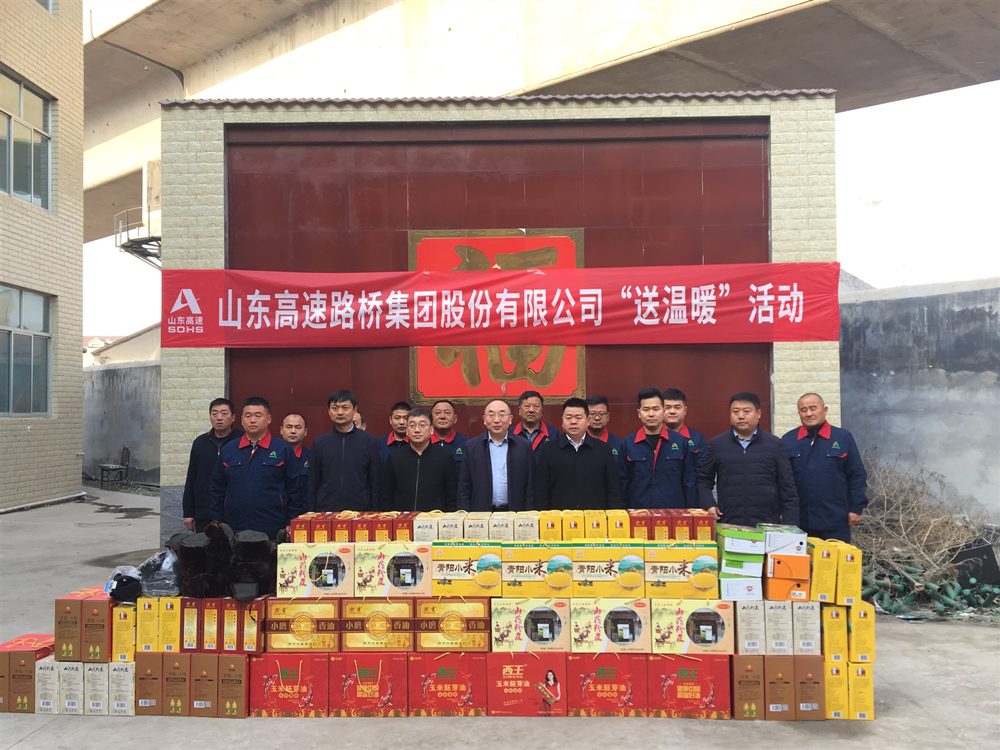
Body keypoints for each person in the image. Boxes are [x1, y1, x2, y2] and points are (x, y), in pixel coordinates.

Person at [695, 392, 799, 527]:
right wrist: (709, 504)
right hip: (729, 522)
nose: (740, 416)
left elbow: (787, 487)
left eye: (746, 411)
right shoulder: (717, 444)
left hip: (766, 523)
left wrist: (790, 525)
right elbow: (703, 480)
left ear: (759, 413)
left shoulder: (774, 444)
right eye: (735, 412)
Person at [209, 397, 304, 539]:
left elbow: (295, 489)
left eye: (258, 415)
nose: (252, 420)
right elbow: (217, 488)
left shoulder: (282, 449)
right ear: (241, 420)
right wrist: (219, 522)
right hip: (235, 525)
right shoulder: (229, 450)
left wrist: (292, 521)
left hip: (273, 526)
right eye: (248, 416)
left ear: (269, 419)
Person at [781, 393, 868, 542]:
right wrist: (781, 510)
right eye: (803, 410)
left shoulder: (842, 437)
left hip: (835, 518)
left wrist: (856, 508)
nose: (808, 413)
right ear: (799, 413)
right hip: (799, 519)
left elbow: (856, 475)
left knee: (835, 557)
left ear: (825, 410)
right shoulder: (789, 440)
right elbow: (781, 479)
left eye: (813, 408)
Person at [534, 398, 622, 510]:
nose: (573, 422)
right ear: (562, 420)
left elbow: (613, 490)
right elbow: (541, 492)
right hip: (559, 517)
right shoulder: (548, 450)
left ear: (588, 420)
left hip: (595, 517)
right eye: (568, 417)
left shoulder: (603, 450)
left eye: (578, 417)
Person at [307, 390, 383, 512]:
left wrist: (374, 511)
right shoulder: (320, 443)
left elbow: (375, 482)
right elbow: (313, 482)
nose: (340, 412)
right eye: (335, 408)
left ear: (355, 410)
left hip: (360, 511)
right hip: (327, 511)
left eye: (345, 407)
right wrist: (311, 512)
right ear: (329, 411)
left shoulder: (369, 441)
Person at [619, 388, 695, 509]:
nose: (651, 414)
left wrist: (690, 511)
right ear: (639, 413)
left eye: (656, 409)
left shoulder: (680, 442)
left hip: (673, 512)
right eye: (646, 409)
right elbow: (622, 483)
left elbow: (688, 481)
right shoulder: (628, 443)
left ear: (663, 411)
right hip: (638, 512)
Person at [457, 399, 535, 512]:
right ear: (484, 419)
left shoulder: (524, 446)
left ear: (510, 419)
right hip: (481, 514)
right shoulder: (472, 447)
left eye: (502, 415)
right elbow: (464, 486)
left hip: (515, 513)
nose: (496, 420)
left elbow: (531, 485)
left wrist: (529, 513)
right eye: (491, 415)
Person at [182, 398, 244, 532]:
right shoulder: (200, 443)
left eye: (224, 413)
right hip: (204, 510)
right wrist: (188, 512)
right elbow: (191, 478)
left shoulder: (242, 441)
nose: (219, 418)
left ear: (233, 417)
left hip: (235, 510)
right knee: (204, 544)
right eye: (214, 414)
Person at [379, 408, 457, 512]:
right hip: (402, 518)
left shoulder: (444, 457)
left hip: (434, 518)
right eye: (412, 426)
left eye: (422, 425)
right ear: (407, 430)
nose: (417, 430)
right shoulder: (395, 457)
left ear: (431, 429)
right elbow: (386, 495)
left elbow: (451, 495)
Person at [661, 388, 709, 473]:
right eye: (667, 407)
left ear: (685, 410)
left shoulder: (698, 439)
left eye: (677, 407)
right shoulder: (654, 437)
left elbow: (702, 470)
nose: (672, 411)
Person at [511, 390, 559, 459]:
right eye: (527, 406)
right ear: (520, 410)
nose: (531, 410)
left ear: (541, 411)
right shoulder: (510, 434)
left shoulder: (553, 433)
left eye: (536, 406)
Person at [429, 399, 469, 472]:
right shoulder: (423, 442)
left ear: (455, 418)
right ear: (431, 418)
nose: (442, 416)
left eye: (447, 413)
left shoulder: (466, 444)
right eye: (437, 413)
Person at [280, 413, 310, 487]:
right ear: (281, 430)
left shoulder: (312, 457)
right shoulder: (272, 454)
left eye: (298, 427)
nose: (293, 431)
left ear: (305, 432)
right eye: (289, 427)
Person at [378, 401, 411, 466]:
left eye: (405, 418)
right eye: (397, 418)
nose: (401, 422)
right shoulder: (380, 443)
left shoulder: (416, 443)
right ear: (390, 420)